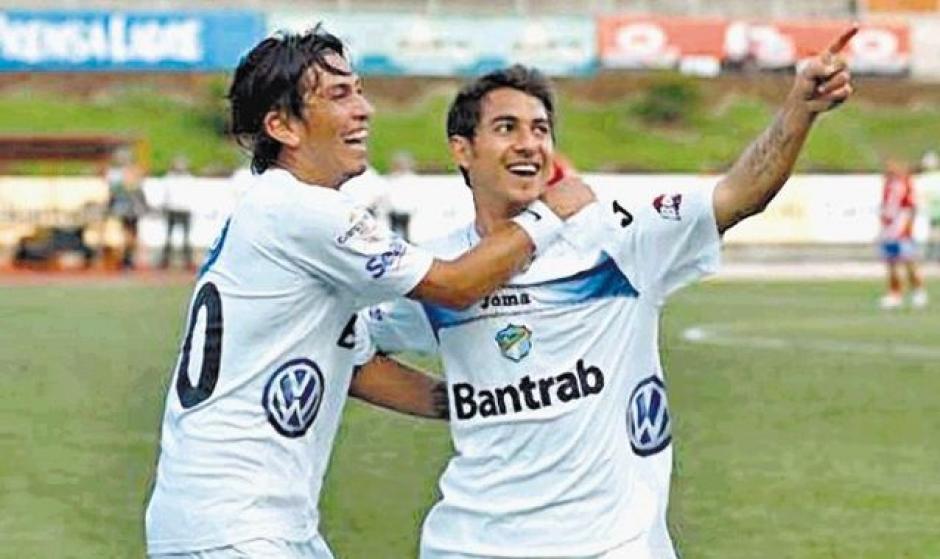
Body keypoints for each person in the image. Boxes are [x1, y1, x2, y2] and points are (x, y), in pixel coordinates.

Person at [364, 27, 858, 559]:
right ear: (462, 149)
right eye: (507, 128)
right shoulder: (439, 271)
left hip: (609, 547)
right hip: (470, 545)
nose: (530, 144)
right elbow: (349, 348)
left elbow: (740, 193)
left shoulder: (617, 240)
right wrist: (449, 401)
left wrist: (799, 110)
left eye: (541, 129)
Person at [144, 26, 594, 559]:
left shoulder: (283, 210)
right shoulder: (303, 212)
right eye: (339, 95)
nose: (364, 109)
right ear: (282, 125)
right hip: (233, 526)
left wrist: (476, 401)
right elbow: (454, 285)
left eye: (358, 90)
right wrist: (551, 214)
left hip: (261, 522)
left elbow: (358, 365)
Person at [878, 157, 928, 309]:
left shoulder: (904, 183)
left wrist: (907, 227)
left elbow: (910, 207)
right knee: (891, 262)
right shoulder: (888, 184)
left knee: (908, 261)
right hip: (889, 229)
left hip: (901, 228)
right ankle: (895, 293)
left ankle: (918, 291)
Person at [105, 147, 146, 270]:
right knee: (127, 233)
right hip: (124, 206)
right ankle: (126, 259)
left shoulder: (132, 171)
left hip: (132, 206)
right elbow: (115, 191)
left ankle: (128, 258)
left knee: (131, 233)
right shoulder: (116, 173)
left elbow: (138, 189)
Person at [158, 155, 195, 270]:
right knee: (168, 237)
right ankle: (165, 261)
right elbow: (165, 196)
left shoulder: (189, 179)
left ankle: (188, 261)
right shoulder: (169, 178)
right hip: (172, 209)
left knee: (186, 238)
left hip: (184, 210)